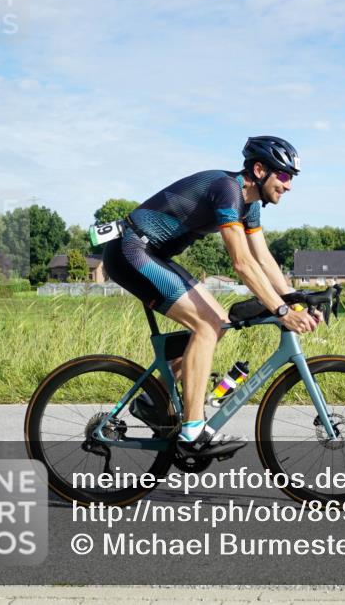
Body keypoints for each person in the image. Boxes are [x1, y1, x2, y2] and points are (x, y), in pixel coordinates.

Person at [101, 136, 321, 456]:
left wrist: (294, 298)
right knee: (207, 326)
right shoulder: (227, 190)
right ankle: (192, 430)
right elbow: (242, 263)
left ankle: (152, 401)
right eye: (284, 176)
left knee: (216, 322)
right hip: (130, 251)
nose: (288, 186)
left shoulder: (251, 204)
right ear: (260, 170)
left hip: (153, 254)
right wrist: (283, 312)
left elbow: (262, 257)